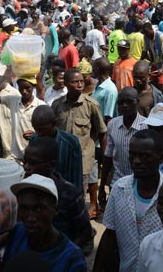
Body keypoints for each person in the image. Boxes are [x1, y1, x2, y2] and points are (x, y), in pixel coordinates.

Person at [95, 130, 163, 272]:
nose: (137, 161)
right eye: (132, 155)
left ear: (160, 157)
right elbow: (110, 234)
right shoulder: (119, 188)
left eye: (144, 156)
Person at [0, 174, 87, 272]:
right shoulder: (17, 233)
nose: (31, 218)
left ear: (55, 209)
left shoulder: (71, 258)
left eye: (38, 209)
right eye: (24, 208)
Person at [52, 69, 106, 219]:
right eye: (75, 82)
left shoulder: (91, 105)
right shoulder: (57, 105)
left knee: (79, 194)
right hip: (62, 159)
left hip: (83, 158)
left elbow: (101, 131)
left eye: (81, 81)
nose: (80, 84)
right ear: (67, 84)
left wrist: (103, 156)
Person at [23, 137, 93, 248]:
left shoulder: (69, 194)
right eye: (25, 161)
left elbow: (85, 232)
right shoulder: (23, 188)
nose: (26, 167)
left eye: (32, 163)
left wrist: (65, 256)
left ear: (50, 165)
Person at [99, 87, 147, 206]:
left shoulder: (146, 126)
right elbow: (108, 156)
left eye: (129, 102)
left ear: (138, 102)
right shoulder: (113, 124)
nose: (125, 106)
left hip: (140, 184)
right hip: (117, 182)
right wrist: (102, 186)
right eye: (121, 103)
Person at [30, 105, 84, 191]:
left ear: (54, 123)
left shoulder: (71, 143)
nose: (39, 133)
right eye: (36, 129)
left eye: (43, 129)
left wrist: (77, 198)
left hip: (64, 196)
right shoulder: (34, 139)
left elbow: (77, 176)